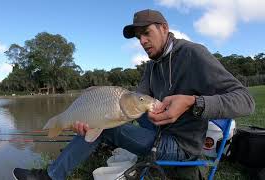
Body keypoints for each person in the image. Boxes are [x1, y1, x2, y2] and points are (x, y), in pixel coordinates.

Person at [13, 9, 255, 180]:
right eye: (139, 37)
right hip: (155, 127)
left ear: (164, 28)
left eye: (147, 33)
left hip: (180, 144)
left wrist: (192, 102)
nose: (142, 41)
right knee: (103, 118)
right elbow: (135, 98)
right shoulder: (152, 65)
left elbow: (246, 101)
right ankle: (89, 141)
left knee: (109, 128)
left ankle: (51, 177)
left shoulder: (193, 55)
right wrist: (96, 114)